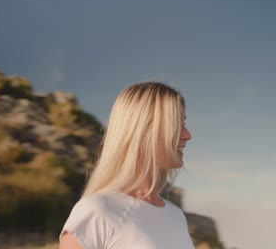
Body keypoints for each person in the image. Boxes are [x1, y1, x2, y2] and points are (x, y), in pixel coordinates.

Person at [59, 81, 193, 249]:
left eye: (184, 123)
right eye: (176, 125)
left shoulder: (176, 216)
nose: (187, 135)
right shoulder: (97, 210)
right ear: (143, 130)